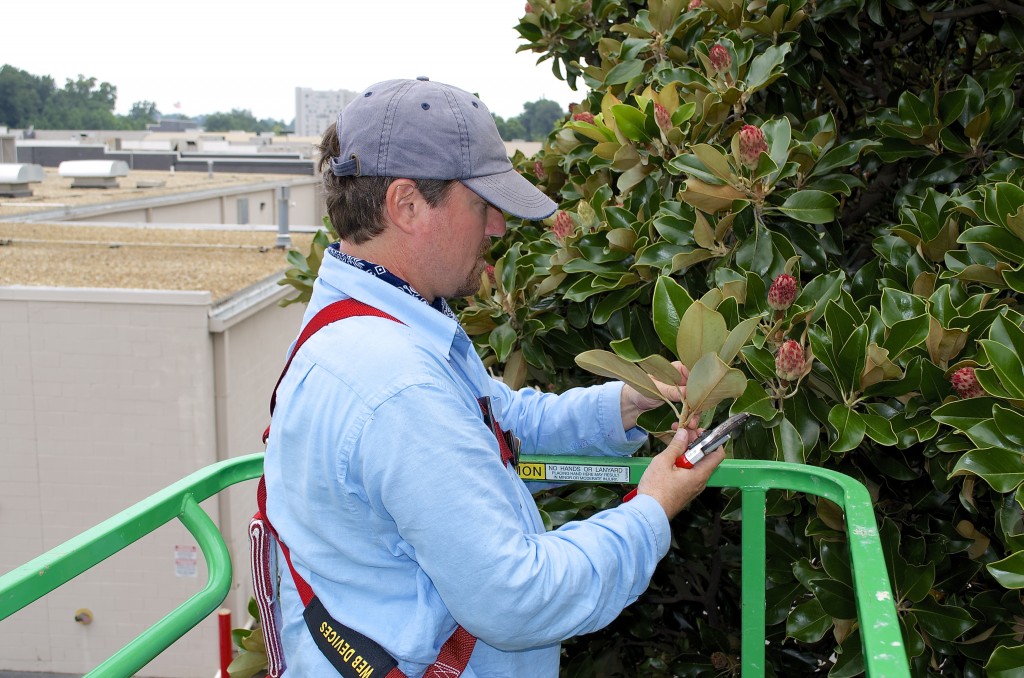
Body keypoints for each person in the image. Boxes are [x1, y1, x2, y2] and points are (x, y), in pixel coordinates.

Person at [258, 77, 725, 678]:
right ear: (406, 204)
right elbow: (517, 598)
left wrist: (628, 403)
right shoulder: (399, 384)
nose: (498, 229)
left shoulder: (369, 320)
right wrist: (654, 508)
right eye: (482, 205)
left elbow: (495, 419)